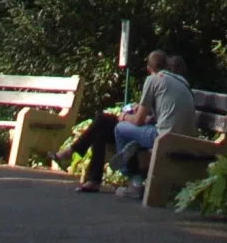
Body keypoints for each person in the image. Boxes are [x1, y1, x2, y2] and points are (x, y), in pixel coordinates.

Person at [60, 49, 197, 197]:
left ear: (149, 69)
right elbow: (167, 112)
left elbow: (138, 120)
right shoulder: (182, 82)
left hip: (164, 136)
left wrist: (124, 117)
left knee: (118, 127)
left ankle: (133, 181)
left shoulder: (154, 79)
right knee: (102, 126)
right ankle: (92, 177)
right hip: (184, 137)